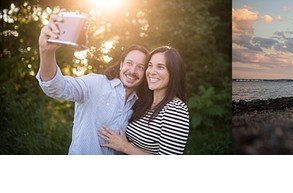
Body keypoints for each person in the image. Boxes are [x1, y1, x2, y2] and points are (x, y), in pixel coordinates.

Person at [36, 14, 148, 154]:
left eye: (140, 67)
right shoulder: (95, 84)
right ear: (121, 65)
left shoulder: (141, 103)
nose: (133, 70)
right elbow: (57, 88)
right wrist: (46, 52)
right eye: (129, 63)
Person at [99, 46, 190, 155]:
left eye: (160, 67)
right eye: (150, 66)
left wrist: (125, 147)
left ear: (173, 72)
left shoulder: (176, 110)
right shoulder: (144, 102)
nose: (152, 71)